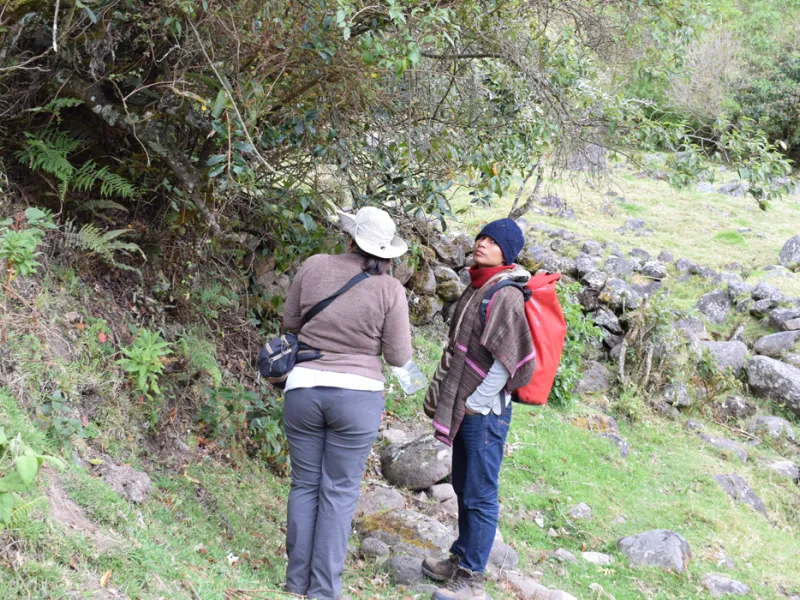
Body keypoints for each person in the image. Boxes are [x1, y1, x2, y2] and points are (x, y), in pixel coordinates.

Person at [281, 207, 413, 600]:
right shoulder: (390, 290)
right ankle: (323, 592)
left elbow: (290, 322)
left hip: (303, 388)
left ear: (349, 237)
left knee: (304, 484)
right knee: (338, 492)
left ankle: (295, 584)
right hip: (358, 398)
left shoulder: (314, 265)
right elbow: (399, 356)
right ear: (385, 251)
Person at [422, 218, 534, 600]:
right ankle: (461, 556)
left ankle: (471, 577)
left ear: (508, 251)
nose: (481, 243)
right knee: (462, 485)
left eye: (492, 240)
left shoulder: (505, 294)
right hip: (469, 408)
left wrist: (475, 402)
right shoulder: (479, 284)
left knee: (480, 493)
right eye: (480, 236)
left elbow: (509, 362)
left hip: (484, 412)